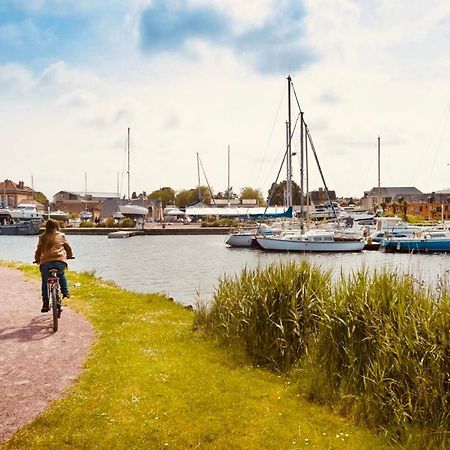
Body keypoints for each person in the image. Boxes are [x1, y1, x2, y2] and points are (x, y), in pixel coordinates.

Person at [34, 219, 74, 313]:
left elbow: (38, 250)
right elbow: (67, 248)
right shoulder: (61, 236)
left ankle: (45, 302)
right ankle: (65, 292)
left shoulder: (42, 237)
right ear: (57, 226)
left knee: (45, 282)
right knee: (61, 274)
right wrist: (69, 256)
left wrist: (37, 259)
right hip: (59, 262)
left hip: (46, 263)